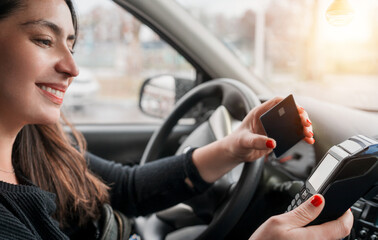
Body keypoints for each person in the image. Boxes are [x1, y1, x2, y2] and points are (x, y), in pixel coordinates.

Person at [0, 0, 353, 239]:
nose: (72, 68)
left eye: (72, 45)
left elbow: (125, 189)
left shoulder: (38, 141)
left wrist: (234, 147)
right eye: (44, 40)